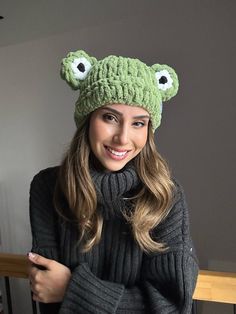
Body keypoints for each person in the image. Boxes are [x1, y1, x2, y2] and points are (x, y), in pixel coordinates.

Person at [28, 49, 199, 314]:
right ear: (87, 120)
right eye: (110, 117)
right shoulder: (47, 188)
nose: (122, 137)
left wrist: (73, 289)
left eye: (139, 123)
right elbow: (46, 291)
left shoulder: (166, 196)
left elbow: (172, 306)